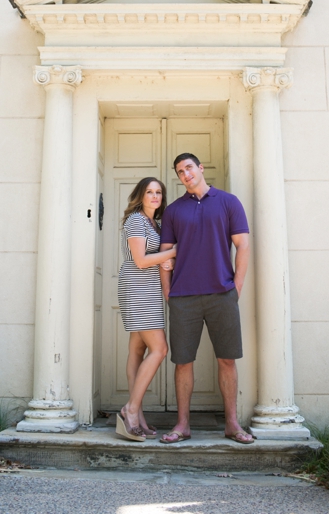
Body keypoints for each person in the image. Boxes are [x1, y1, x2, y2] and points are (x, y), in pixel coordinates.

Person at [158, 153, 254, 445]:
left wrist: (236, 287)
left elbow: (243, 246)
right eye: (180, 172)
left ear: (200, 168)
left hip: (221, 294)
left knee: (227, 359)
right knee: (183, 361)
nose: (185, 174)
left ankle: (232, 424)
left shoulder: (228, 202)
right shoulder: (174, 210)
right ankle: (182, 425)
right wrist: (168, 293)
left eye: (189, 168)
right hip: (183, 297)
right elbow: (165, 255)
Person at [116, 177, 176, 442]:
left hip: (149, 289)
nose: (155, 196)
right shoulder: (136, 220)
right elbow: (140, 260)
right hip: (137, 288)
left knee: (138, 350)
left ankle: (136, 414)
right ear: (140, 195)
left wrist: (166, 261)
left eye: (159, 192)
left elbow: (156, 258)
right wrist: (173, 252)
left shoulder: (157, 224)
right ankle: (130, 410)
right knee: (160, 349)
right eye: (150, 192)